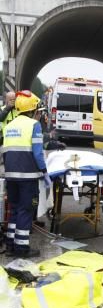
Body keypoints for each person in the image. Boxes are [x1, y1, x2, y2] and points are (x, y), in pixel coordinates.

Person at [3, 91, 51, 257]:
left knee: (14, 210)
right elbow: (38, 153)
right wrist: (44, 172)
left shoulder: (9, 126)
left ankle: (10, 246)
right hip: (28, 177)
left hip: (11, 175)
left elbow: (5, 152)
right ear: (33, 109)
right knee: (26, 210)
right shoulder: (33, 125)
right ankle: (22, 248)